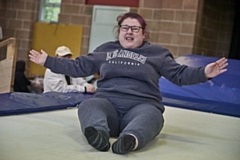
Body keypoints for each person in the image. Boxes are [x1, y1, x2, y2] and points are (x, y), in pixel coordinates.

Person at [29, 12, 228, 154]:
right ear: (119, 31)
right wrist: (48, 61)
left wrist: (204, 73)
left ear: (143, 33)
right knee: (89, 105)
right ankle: (98, 134)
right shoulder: (105, 50)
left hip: (142, 105)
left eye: (135, 28)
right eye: (125, 28)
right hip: (107, 105)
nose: (129, 32)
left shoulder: (157, 53)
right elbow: (78, 67)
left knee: (153, 116)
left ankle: (130, 140)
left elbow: (180, 75)